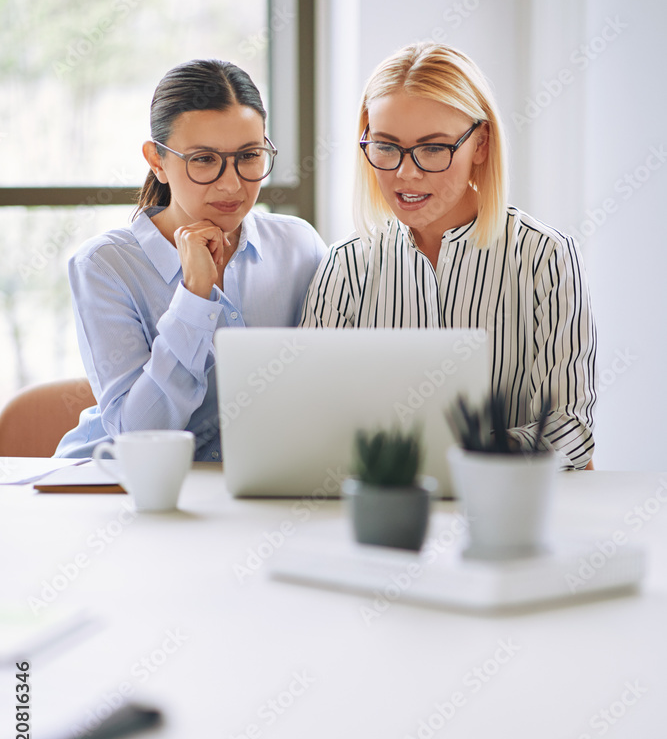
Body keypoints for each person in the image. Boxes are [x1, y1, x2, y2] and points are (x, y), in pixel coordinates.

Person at [301, 42, 597, 469]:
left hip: (500, 509)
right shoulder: (346, 264)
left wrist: (450, 455)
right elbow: (310, 414)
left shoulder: (544, 257)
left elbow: (569, 430)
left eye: (434, 148)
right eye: (386, 146)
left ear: (480, 145)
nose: (406, 173)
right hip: (383, 510)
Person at [56, 59, 326, 461]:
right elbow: (139, 435)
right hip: (123, 487)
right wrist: (195, 298)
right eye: (203, 159)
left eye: (249, 155)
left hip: (251, 487)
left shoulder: (298, 246)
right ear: (157, 161)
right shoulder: (105, 265)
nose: (232, 184)